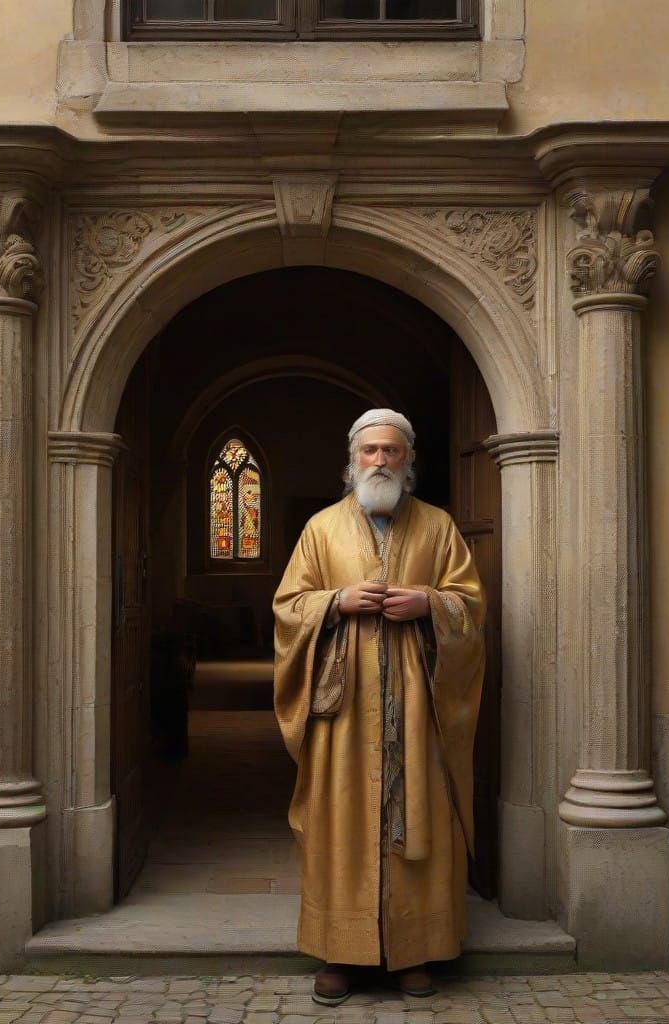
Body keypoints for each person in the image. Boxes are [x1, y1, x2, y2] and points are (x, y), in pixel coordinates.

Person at [272, 408, 486, 1006]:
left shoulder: (439, 527)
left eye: (392, 450)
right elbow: (288, 606)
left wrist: (430, 604)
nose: (380, 460)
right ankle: (340, 953)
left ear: (408, 460)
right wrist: (335, 601)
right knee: (339, 822)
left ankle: (414, 952)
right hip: (342, 709)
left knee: (419, 816)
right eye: (369, 450)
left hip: (417, 706)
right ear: (352, 460)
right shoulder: (321, 529)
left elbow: (470, 605)